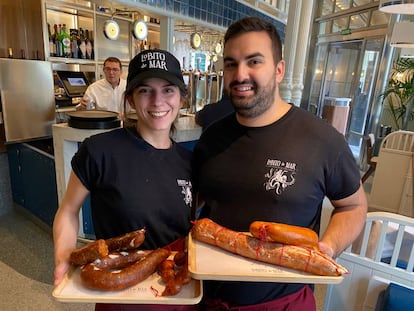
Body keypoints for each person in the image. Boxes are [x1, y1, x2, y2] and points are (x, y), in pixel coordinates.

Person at [192, 17, 368, 310]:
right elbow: (194, 200)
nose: (240, 74)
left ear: (279, 69)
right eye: (231, 64)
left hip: (284, 302)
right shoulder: (211, 137)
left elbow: (353, 205)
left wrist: (329, 246)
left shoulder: (322, 139)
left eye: (254, 61)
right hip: (210, 299)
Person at [53, 49, 198, 311]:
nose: (157, 101)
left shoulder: (189, 163)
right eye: (145, 90)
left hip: (176, 293)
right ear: (130, 98)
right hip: (118, 294)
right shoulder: (99, 151)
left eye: (168, 90)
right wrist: (64, 256)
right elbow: (68, 210)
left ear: (182, 98)